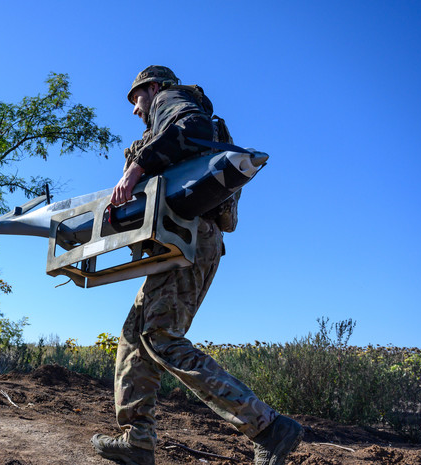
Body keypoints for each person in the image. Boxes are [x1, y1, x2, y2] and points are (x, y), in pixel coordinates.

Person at [91, 65, 303, 465]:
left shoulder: (171, 99)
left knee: (161, 336)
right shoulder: (164, 114)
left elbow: (192, 127)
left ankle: (268, 427)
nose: (136, 109)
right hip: (179, 240)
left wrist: (135, 169)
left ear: (153, 87)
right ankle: (137, 440)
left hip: (189, 237)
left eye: (136, 97)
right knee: (135, 336)